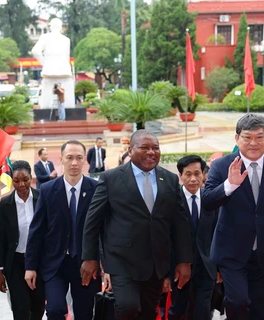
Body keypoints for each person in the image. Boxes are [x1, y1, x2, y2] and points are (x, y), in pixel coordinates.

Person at [81, 129, 192, 320]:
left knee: (148, 312)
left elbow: (180, 223)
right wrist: (90, 258)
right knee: (127, 306)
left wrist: (184, 261)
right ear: (130, 150)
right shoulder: (111, 179)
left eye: (155, 148)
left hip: (156, 262)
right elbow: (93, 220)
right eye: (145, 147)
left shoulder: (170, 179)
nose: (151, 152)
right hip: (122, 260)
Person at [202, 114, 264, 320]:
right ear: (236, 138)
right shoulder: (222, 166)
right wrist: (229, 186)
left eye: (259, 137)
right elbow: (207, 202)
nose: (253, 143)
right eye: (247, 137)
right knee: (238, 301)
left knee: (259, 307)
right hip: (231, 251)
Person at [25, 141, 100, 319]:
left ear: (85, 161)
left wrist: (102, 263)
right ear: (61, 160)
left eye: (79, 158)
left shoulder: (96, 189)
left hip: (86, 263)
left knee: (84, 312)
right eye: (70, 158)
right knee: (55, 310)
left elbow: (103, 230)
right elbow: (37, 230)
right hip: (54, 263)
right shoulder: (48, 190)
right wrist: (31, 266)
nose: (74, 162)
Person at [163, 155, 217, 319]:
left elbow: (217, 233)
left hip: (206, 267)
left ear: (203, 175)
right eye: (188, 174)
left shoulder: (211, 199)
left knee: (203, 311)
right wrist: (165, 274)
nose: (193, 179)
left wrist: (220, 267)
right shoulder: (170, 200)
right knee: (179, 310)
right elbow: (165, 239)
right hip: (179, 267)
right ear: (180, 176)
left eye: (197, 173)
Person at [0, 161, 46, 320]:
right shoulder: (5, 204)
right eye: (16, 181)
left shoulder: (42, 199)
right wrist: (0, 271)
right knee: (20, 308)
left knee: (38, 307)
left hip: (39, 263)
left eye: (25, 179)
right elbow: (2, 239)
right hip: (15, 264)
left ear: (31, 178)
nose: (21, 184)